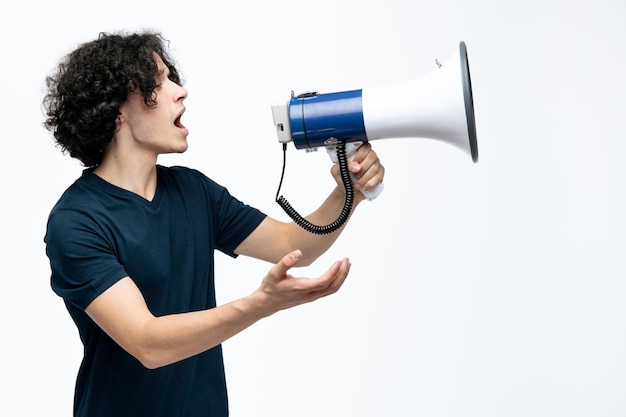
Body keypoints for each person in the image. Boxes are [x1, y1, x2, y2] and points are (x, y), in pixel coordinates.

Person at [43, 30, 384, 417]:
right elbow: (148, 343)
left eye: (173, 78)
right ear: (116, 110)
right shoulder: (76, 222)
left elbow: (291, 243)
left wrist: (348, 191)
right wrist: (259, 305)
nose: (179, 91)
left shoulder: (193, 191)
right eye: (157, 82)